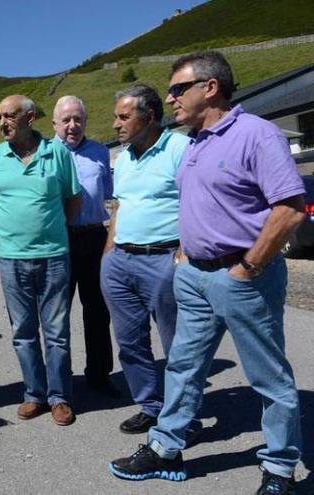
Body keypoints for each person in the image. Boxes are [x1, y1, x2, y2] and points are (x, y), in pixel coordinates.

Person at [110, 51, 305, 495]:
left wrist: (248, 266)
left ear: (210, 87)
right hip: (193, 275)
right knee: (182, 364)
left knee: (268, 375)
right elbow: (196, 207)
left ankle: (279, 469)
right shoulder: (196, 141)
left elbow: (290, 209)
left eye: (178, 89)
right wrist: (184, 251)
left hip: (242, 276)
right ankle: (165, 447)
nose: (170, 98)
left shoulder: (257, 135)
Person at [0, 95, 81, 426]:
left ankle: (60, 396)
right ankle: (34, 393)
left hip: (53, 257)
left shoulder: (58, 152)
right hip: (11, 259)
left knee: (57, 331)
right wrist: (11, 233)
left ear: (30, 117)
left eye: (9, 115)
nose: (2, 122)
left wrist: (50, 232)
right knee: (22, 331)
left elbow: (72, 201)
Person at [100, 85, 189, 435]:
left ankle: (184, 416)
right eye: (116, 117)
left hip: (164, 260)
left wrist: (183, 253)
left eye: (124, 117)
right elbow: (118, 207)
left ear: (149, 117)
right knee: (130, 342)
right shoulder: (124, 159)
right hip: (121, 261)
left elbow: (196, 203)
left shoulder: (181, 149)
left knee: (178, 347)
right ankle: (151, 406)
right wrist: (109, 253)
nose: (116, 124)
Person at [51, 95, 119, 398]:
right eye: (66, 120)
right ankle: (59, 379)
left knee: (97, 310)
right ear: (54, 123)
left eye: (78, 119)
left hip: (93, 237)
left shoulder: (100, 152)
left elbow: (108, 194)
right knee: (56, 313)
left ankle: (99, 374)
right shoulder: (46, 152)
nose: (72, 125)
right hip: (58, 240)